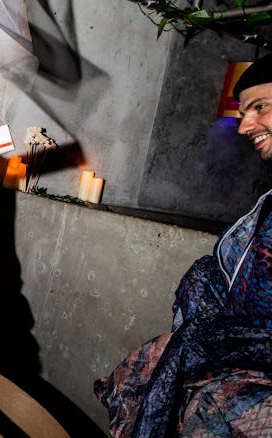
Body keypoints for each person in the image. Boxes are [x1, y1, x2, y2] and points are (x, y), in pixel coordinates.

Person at [95, 53, 272, 436]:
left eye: (260, 107)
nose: (245, 126)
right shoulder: (267, 202)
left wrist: (203, 344)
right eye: (244, 112)